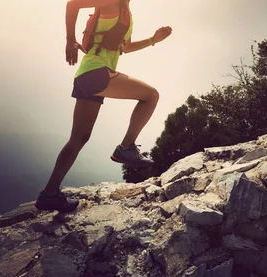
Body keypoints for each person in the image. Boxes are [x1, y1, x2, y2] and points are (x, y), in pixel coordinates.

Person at [35, 0, 173, 212]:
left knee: (79, 138)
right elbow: (72, 4)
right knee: (151, 96)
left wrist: (153, 40)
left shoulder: (126, 13)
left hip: (85, 77)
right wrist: (69, 40)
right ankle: (126, 148)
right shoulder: (112, 2)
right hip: (96, 73)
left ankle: (49, 194)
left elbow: (126, 48)